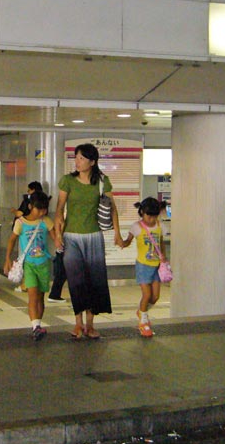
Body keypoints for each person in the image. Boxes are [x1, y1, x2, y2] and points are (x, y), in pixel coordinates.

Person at [55, 142, 123, 339]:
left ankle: (90, 325)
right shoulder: (67, 180)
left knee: (95, 280)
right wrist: (58, 235)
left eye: (82, 158)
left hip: (94, 236)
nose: (77, 161)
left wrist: (117, 233)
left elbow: (112, 208)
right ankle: (78, 324)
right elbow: (60, 209)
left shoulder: (102, 181)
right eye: (76, 157)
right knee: (76, 281)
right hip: (71, 236)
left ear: (92, 162)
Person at [4, 190, 58, 341]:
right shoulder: (20, 223)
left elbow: (55, 238)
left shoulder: (45, 221)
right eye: (38, 208)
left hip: (43, 264)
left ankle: (38, 324)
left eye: (44, 209)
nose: (42, 212)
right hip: (28, 264)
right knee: (33, 295)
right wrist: (7, 259)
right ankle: (35, 327)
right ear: (30, 206)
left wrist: (61, 244)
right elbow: (11, 240)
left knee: (40, 297)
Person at [121, 197, 167, 337]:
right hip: (143, 266)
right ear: (142, 212)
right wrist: (122, 243)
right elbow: (128, 241)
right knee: (146, 295)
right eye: (149, 215)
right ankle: (143, 322)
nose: (151, 219)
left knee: (155, 297)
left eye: (154, 216)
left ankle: (142, 312)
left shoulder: (160, 226)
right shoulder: (136, 227)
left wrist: (164, 257)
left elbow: (161, 243)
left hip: (156, 267)